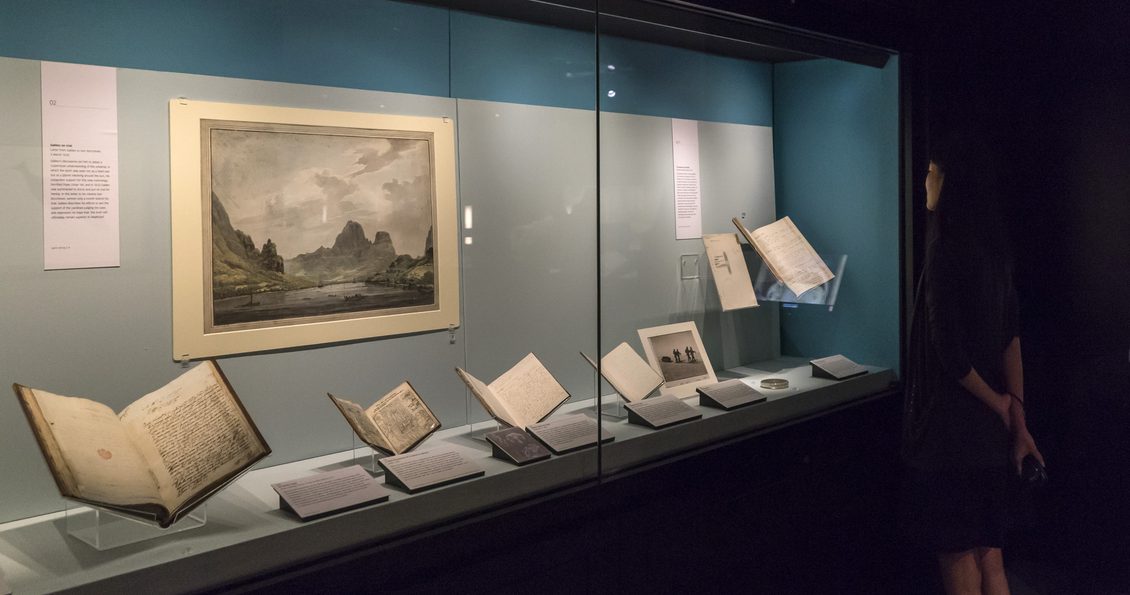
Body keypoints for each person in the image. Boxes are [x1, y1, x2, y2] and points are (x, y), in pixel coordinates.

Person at [902, 132, 1045, 595]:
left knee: (959, 560)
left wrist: (998, 404)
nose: (925, 179)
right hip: (988, 435)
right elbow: (1011, 339)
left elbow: (949, 352)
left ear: (950, 182)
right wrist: (1013, 415)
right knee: (991, 558)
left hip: (951, 434)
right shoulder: (995, 252)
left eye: (932, 171)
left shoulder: (945, 250)